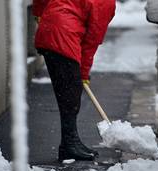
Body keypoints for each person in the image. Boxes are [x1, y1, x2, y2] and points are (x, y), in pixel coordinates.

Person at [33, 0, 116, 162]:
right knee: (70, 97)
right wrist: (83, 73)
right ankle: (69, 145)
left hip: (50, 32)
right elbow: (92, 40)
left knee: (68, 94)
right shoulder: (106, 3)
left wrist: (39, 13)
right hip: (62, 38)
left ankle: (71, 142)